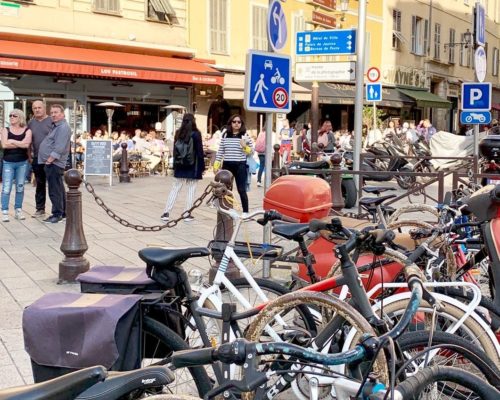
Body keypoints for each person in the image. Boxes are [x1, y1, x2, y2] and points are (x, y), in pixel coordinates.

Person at [161, 113, 205, 222]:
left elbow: (175, 151)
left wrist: (175, 164)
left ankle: (166, 212)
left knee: (175, 189)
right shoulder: (196, 134)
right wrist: (202, 167)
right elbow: (200, 151)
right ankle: (186, 213)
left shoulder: (178, 133)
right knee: (191, 189)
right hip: (192, 165)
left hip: (180, 165)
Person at [213, 114, 254, 213]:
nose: (236, 124)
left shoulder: (245, 136)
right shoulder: (226, 135)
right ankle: (226, 209)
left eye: (239, 122)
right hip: (227, 165)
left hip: (240, 165)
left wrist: (245, 146)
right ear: (230, 123)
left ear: (241, 124)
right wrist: (216, 165)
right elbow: (221, 151)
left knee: (241, 190)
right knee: (225, 189)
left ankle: (245, 212)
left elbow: (252, 152)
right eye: (234, 122)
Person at [38, 104, 71, 224]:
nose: (53, 114)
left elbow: (59, 148)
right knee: (59, 189)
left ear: (62, 114)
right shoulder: (56, 126)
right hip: (53, 163)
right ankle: (63, 213)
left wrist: (49, 160)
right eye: (51, 112)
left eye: (56, 112)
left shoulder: (63, 127)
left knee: (54, 190)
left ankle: (57, 214)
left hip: (54, 164)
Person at [1, 109, 32, 222]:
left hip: (22, 163)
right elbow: (4, 145)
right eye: (10, 115)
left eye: (14, 115)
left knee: (20, 186)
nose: (11, 117)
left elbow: (26, 145)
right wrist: (20, 143)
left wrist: (12, 140)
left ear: (20, 117)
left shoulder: (27, 130)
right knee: (6, 187)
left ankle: (18, 210)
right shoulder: (6, 129)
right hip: (8, 162)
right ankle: (4, 211)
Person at [28, 100, 53, 218]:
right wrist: (29, 156)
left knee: (54, 185)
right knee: (40, 184)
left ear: (44, 108)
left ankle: (58, 210)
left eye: (39, 107)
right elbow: (29, 141)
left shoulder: (52, 121)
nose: (37, 110)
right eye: (34, 108)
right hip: (37, 158)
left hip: (51, 159)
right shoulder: (31, 123)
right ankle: (40, 209)